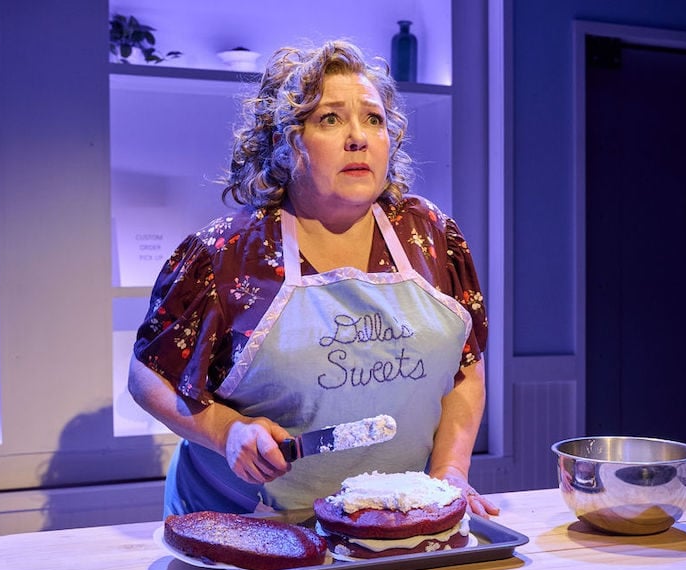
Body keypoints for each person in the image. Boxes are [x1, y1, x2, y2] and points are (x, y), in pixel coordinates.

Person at [128, 40, 499, 519]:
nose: (358, 137)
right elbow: (149, 376)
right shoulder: (226, 254)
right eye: (330, 119)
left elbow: (466, 367)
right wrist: (226, 431)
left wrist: (450, 471)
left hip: (389, 519)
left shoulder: (430, 235)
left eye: (374, 119)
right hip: (245, 522)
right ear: (286, 142)